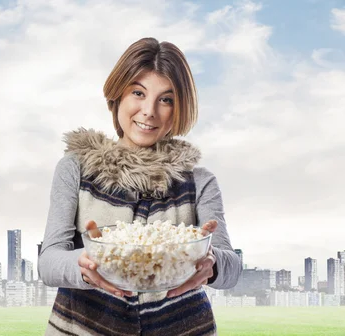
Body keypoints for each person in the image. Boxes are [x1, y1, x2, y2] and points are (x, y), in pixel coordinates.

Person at [37, 37, 243, 336]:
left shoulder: (199, 182)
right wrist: (85, 263)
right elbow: (49, 262)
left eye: (166, 99)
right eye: (138, 92)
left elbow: (231, 269)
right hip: (81, 326)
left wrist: (212, 262)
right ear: (117, 95)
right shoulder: (76, 169)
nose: (149, 111)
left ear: (180, 109)